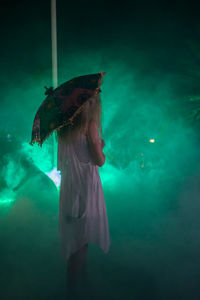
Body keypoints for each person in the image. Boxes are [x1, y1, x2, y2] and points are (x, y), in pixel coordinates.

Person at [56, 93, 110, 293]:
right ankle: (74, 291)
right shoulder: (90, 124)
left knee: (77, 241)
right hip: (85, 187)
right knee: (81, 242)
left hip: (70, 187)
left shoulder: (63, 127)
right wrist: (100, 146)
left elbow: (64, 161)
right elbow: (99, 160)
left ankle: (78, 286)